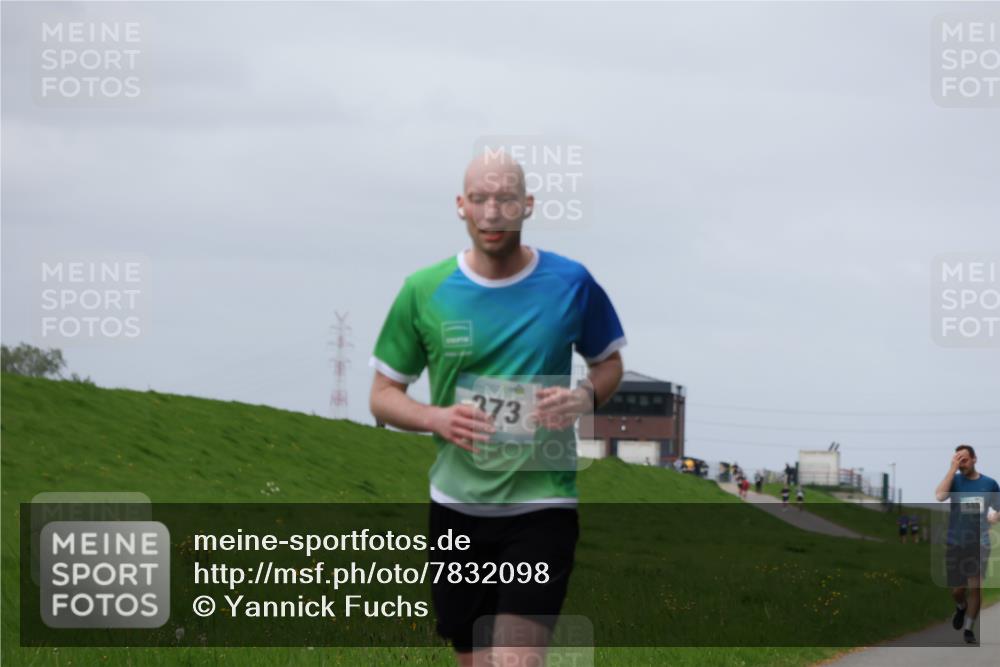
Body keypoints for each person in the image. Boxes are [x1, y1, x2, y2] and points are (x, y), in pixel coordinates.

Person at [369, 151, 626, 666]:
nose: (492, 213)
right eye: (480, 200)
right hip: (456, 508)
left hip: (542, 504)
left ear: (527, 205)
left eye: (505, 198)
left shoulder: (570, 283)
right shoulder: (424, 291)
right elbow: (382, 395)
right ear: (461, 206)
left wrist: (582, 397)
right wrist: (434, 417)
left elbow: (610, 364)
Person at [934, 444, 1000, 644]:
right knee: (957, 590)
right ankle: (961, 607)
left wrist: (995, 516)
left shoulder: (989, 484)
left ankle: (969, 629)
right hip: (956, 542)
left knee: (975, 588)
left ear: (974, 459)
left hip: (980, 543)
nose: (961, 462)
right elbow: (939, 496)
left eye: (964, 459)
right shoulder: (953, 481)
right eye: (957, 459)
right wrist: (952, 469)